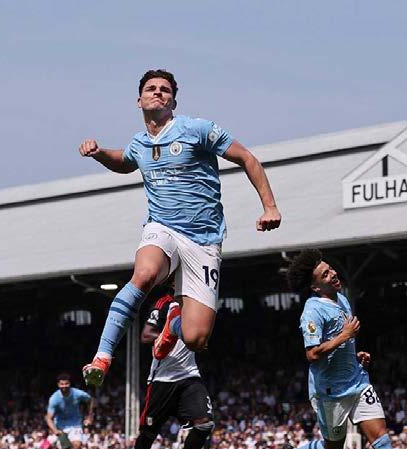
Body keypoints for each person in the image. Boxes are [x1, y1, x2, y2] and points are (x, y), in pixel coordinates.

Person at [79, 69, 281, 387]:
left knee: (196, 338)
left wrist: (270, 206)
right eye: (151, 88)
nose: (158, 92)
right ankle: (102, 357)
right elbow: (125, 161)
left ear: (173, 100)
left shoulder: (197, 130)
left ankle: (173, 321)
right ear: (139, 100)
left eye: (165, 89)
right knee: (144, 274)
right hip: (162, 227)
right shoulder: (140, 143)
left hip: (203, 238)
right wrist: (100, 153)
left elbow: (247, 158)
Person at [277, 249, 407, 449]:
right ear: (315, 286)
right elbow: (312, 354)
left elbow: (343, 342)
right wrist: (345, 336)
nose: (333, 274)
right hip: (330, 392)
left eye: (331, 269)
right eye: (325, 274)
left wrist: (355, 355)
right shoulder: (312, 311)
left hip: (358, 382)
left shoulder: (342, 299)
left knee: (381, 439)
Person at [124, 289, 214, 449]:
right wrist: (172, 332)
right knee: (149, 433)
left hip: (189, 375)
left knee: (205, 423)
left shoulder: (197, 304)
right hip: (162, 379)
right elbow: (146, 335)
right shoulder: (164, 303)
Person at [45, 373, 95, 449]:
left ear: (70, 384)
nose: (64, 386)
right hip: (61, 426)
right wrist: (55, 430)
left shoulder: (78, 393)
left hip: (75, 424)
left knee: (77, 446)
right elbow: (48, 418)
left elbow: (90, 399)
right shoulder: (54, 398)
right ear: (58, 385)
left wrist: (90, 415)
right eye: (62, 384)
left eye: (66, 384)